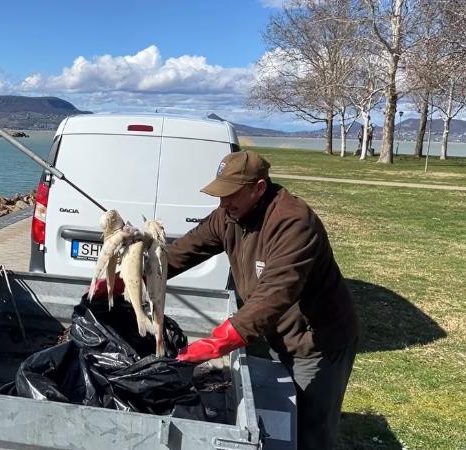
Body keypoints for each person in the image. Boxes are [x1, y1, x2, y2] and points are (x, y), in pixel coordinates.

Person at [92, 151, 359, 449]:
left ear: (258, 188)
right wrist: (131, 283)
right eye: (220, 195)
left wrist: (218, 341)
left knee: (311, 428)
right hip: (278, 332)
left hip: (316, 341)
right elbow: (183, 251)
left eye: (230, 195)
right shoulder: (230, 215)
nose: (223, 203)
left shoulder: (293, 223)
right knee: (285, 417)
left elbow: (274, 295)